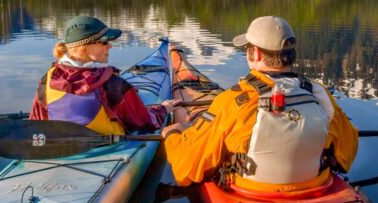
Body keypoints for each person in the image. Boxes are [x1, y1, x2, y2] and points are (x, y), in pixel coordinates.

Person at [163, 16, 359, 192]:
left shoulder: (233, 101)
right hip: (315, 185)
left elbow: (187, 168)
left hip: (251, 190)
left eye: (248, 48)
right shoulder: (319, 93)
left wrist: (172, 134)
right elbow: (346, 154)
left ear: (255, 53)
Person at [29, 14, 178, 134]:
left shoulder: (47, 79)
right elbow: (143, 122)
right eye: (104, 42)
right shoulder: (112, 83)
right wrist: (163, 109)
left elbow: (37, 124)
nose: (110, 46)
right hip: (110, 149)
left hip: (65, 150)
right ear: (83, 49)